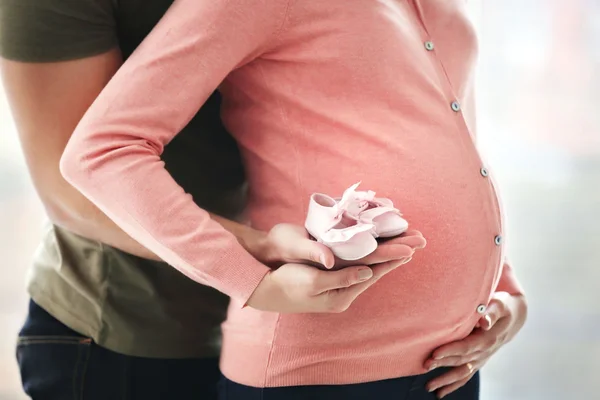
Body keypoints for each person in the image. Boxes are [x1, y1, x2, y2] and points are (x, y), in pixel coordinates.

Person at [59, 0, 528, 399]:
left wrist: (503, 291)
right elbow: (102, 152)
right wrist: (250, 279)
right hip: (315, 372)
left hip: (452, 363)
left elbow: (453, 141)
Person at [0, 0, 421, 398]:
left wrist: (483, 295)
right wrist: (255, 261)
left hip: (275, 325)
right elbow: (71, 190)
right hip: (127, 332)